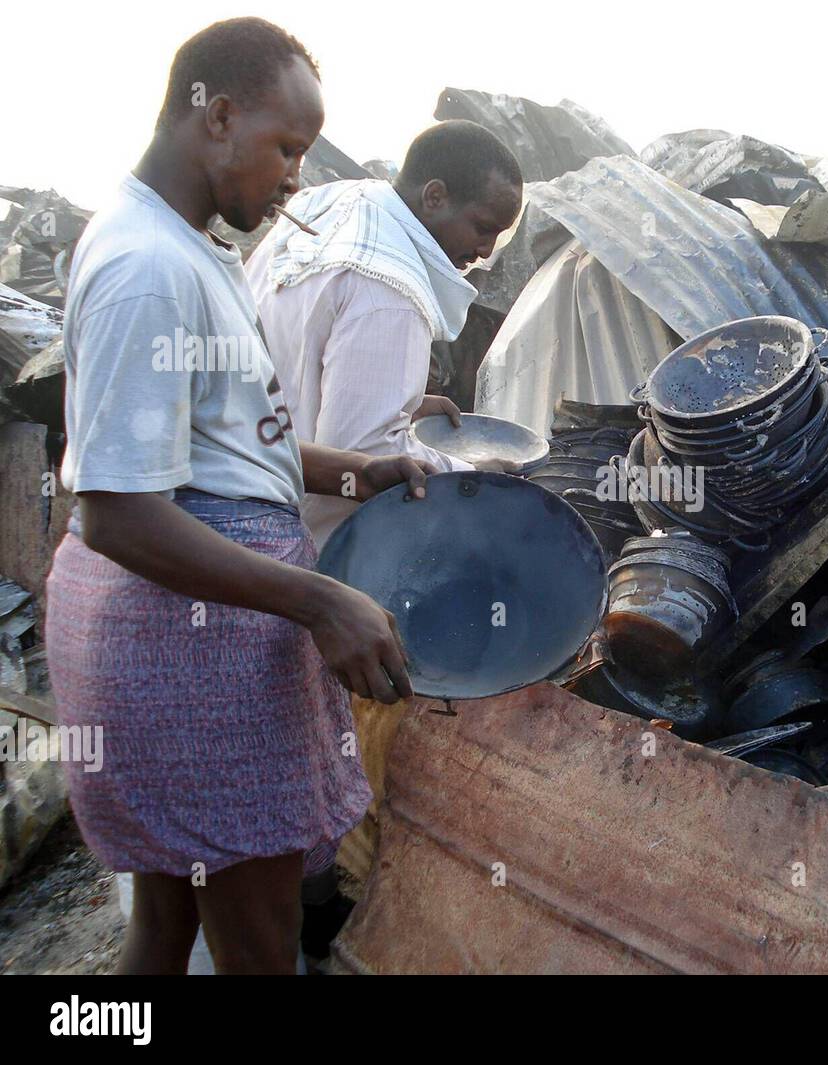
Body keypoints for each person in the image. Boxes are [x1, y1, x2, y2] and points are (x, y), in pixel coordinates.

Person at [44, 17, 428, 975]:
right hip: (188, 645)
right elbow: (118, 510)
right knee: (257, 945)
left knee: (169, 923)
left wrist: (351, 469)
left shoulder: (185, 247)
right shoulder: (147, 268)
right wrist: (321, 597)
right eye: (286, 147)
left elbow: (225, 442)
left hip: (190, 630)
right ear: (216, 118)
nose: (296, 174)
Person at [246, 120, 524, 547]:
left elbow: (299, 357)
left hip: (242, 487)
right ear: (434, 197)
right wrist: (471, 475)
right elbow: (363, 455)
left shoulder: (329, 205)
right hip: (297, 538)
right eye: (483, 228)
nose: (487, 250)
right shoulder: (390, 291)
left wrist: (402, 400)